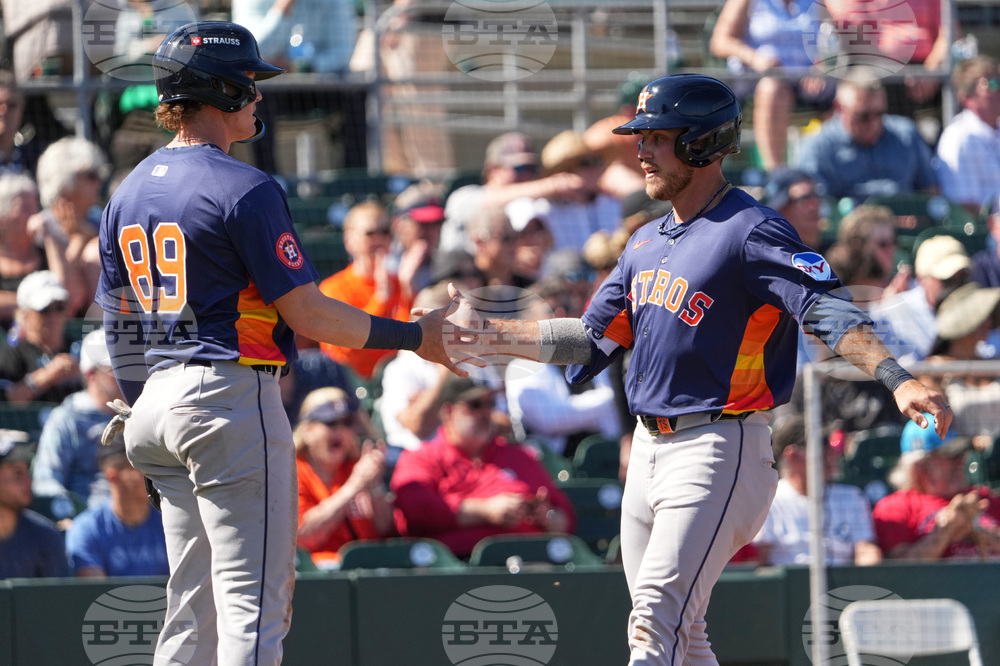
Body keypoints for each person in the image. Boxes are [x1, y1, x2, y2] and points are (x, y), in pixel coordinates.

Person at [453, 74, 951, 664]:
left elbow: (829, 310)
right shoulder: (643, 241)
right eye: (641, 137)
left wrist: (898, 376)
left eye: (657, 137)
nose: (640, 150)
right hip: (649, 448)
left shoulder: (752, 230)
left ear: (702, 144)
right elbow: (589, 341)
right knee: (682, 634)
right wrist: (488, 334)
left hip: (720, 444)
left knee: (653, 622)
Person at [96, 21, 482, 666]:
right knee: (253, 608)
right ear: (218, 91)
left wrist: (141, 402)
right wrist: (414, 335)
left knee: (192, 611)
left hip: (153, 405)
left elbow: (117, 321)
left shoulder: (125, 192)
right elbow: (308, 314)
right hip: (224, 394)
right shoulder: (244, 186)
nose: (258, 97)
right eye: (247, 84)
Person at [390, 373, 575, 558]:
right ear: (448, 412)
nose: (486, 413)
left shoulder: (518, 455)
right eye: (475, 405)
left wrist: (547, 516)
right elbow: (414, 509)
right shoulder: (422, 458)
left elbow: (565, 517)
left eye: (491, 404)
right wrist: (484, 510)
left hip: (533, 562)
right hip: (460, 567)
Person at [709, 0, 835, 171]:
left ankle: (828, 172)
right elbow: (720, 42)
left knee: (848, 90)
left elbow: (832, 39)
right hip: (759, 76)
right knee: (772, 89)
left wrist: (822, 66)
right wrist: (755, 58)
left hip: (806, 77)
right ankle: (776, 174)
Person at [751, 415, 882, 566]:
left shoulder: (852, 497)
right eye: (822, 445)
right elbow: (760, 563)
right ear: (792, 454)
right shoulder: (767, 499)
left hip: (842, 587)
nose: (831, 453)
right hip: (788, 587)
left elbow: (866, 550)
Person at [873, 414, 1000, 560]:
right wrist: (946, 529)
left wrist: (977, 529)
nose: (961, 461)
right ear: (919, 468)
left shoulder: (983, 498)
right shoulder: (895, 507)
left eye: (962, 454)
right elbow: (902, 573)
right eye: (951, 456)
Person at [797, 71, 938, 201]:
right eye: (863, 116)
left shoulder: (906, 134)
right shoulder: (819, 148)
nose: (874, 124)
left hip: (909, 225)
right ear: (840, 107)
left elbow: (931, 191)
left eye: (880, 114)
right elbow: (819, 210)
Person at [294, 387, 394, 569]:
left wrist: (375, 485)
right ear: (307, 431)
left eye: (346, 423)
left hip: (368, 569)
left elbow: (385, 530)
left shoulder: (356, 465)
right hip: (315, 575)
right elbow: (302, 537)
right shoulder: (292, 470)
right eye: (331, 423)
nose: (340, 431)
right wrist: (354, 486)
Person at [318, 201, 414, 379]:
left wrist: (407, 292)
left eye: (385, 232)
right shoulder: (333, 288)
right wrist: (380, 300)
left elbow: (411, 341)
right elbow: (344, 350)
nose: (379, 239)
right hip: (354, 386)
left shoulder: (401, 283)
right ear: (349, 241)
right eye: (370, 233)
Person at [31, 328, 125, 508]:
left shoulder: (140, 412)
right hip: (86, 520)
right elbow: (46, 480)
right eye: (115, 368)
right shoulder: (66, 418)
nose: (125, 375)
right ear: (91, 374)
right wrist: (71, 515)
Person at [64, 432, 170, 577]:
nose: (155, 475)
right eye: (144, 468)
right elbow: (95, 595)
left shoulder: (171, 523)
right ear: (113, 476)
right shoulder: (86, 530)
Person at [32, 136, 109, 315]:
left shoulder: (100, 218)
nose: (99, 182)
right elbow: (64, 288)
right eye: (91, 176)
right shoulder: (44, 224)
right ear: (65, 181)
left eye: (99, 175)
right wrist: (81, 237)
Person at [916, 282, 1000, 439]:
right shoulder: (933, 371)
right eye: (981, 318)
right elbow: (935, 427)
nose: (987, 323)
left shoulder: (994, 364)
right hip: (961, 459)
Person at [871, 234, 971, 363]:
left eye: (962, 277)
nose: (956, 285)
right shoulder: (894, 311)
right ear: (922, 279)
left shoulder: (977, 307)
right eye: (947, 279)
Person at [0, 172, 71, 327]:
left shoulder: (46, 252)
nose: (34, 214)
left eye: (35, 206)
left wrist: (50, 237)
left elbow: (64, 296)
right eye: (25, 207)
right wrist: (37, 302)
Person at [0, 270, 80, 404]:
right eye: (45, 310)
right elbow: (7, 401)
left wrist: (85, 375)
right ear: (26, 314)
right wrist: (48, 374)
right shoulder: (11, 354)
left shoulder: (79, 348)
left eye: (60, 307)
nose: (54, 317)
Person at [537, 130, 622, 252]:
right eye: (586, 163)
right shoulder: (545, 209)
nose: (595, 169)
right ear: (566, 171)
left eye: (597, 162)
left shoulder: (612, 204)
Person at [0, 431, 69, 579]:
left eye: (27, 472)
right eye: (18, 473)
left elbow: (59, 600)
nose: (28, 481)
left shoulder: (46, 536)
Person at [935, 56, 1000, 213]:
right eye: (991, 83)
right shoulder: (958, 138)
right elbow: (965, 208)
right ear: (967, 98)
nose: (998, 89)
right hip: (981, 233)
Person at [386, 181, 447, 296]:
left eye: (437, 223)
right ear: (398, 224)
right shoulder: (384, 265)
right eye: (423, 224)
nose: (432, 231)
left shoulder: (451, 264)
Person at [762, 168, 822, 250]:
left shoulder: (836, 255)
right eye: (804, 198)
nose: (812, 207)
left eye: (815, 195)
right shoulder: (769, 254)